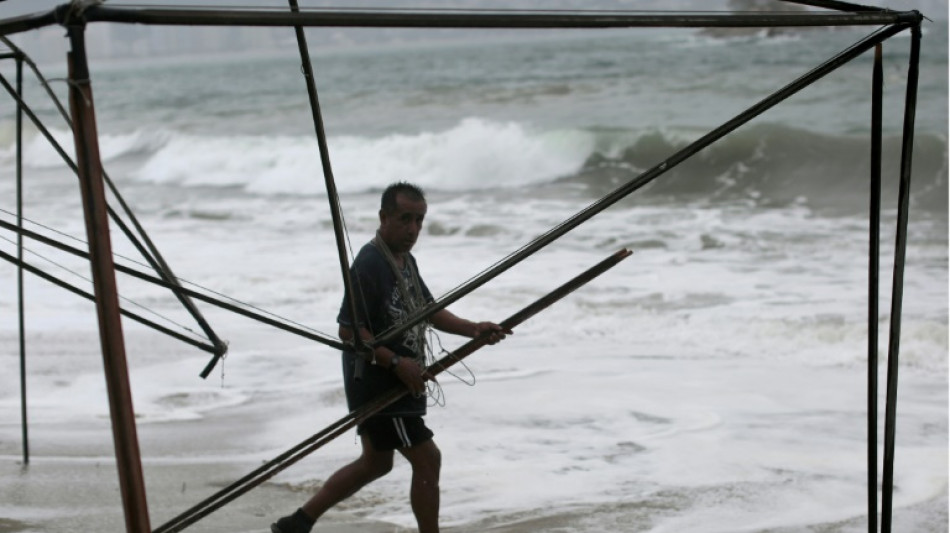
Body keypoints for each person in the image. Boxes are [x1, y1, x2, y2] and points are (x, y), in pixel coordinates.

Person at [272, 182, 509, 533]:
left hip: (402, 379)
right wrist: (395, 363)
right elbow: (349, 330)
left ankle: (297, 523)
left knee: (376, 462)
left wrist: (473, 328)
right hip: (381, 383)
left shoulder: (405, 260)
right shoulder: (370, 263)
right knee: (428, 459)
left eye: (419, 220)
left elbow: (428, 310)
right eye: (405, 219)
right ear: (384, 217)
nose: (413, 229)